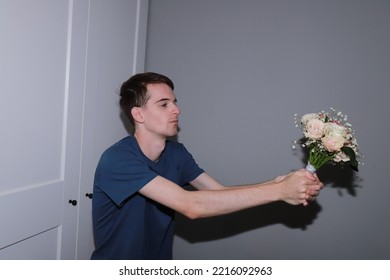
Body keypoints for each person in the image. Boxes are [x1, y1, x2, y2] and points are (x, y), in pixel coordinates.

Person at [91, 72, 323, 260]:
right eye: (164, 104)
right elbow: (190, 205)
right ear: (138, 114)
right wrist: (279, 191)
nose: (176, 110)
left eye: (174, 102)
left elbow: (218, 193)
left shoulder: (177, 153)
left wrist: (277, 183)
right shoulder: (117, 160)